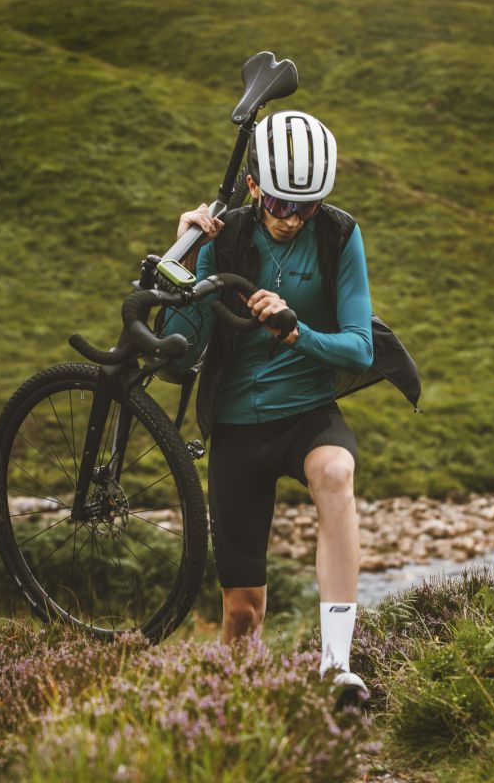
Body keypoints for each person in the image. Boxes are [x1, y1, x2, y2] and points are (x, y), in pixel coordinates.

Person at [164, 110, 409, 711]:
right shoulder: (226, 236)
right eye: (279, 203)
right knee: (243, 615)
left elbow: (360, 347)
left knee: (336, 472)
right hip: (236, 428)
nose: (293, 218)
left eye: (307, 206)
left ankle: (338, 667)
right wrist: (189, 258)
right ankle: (233, 720)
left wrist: (298, 333)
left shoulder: (338, 235)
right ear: (253, 186)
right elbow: (180, 355)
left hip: (307, 415)